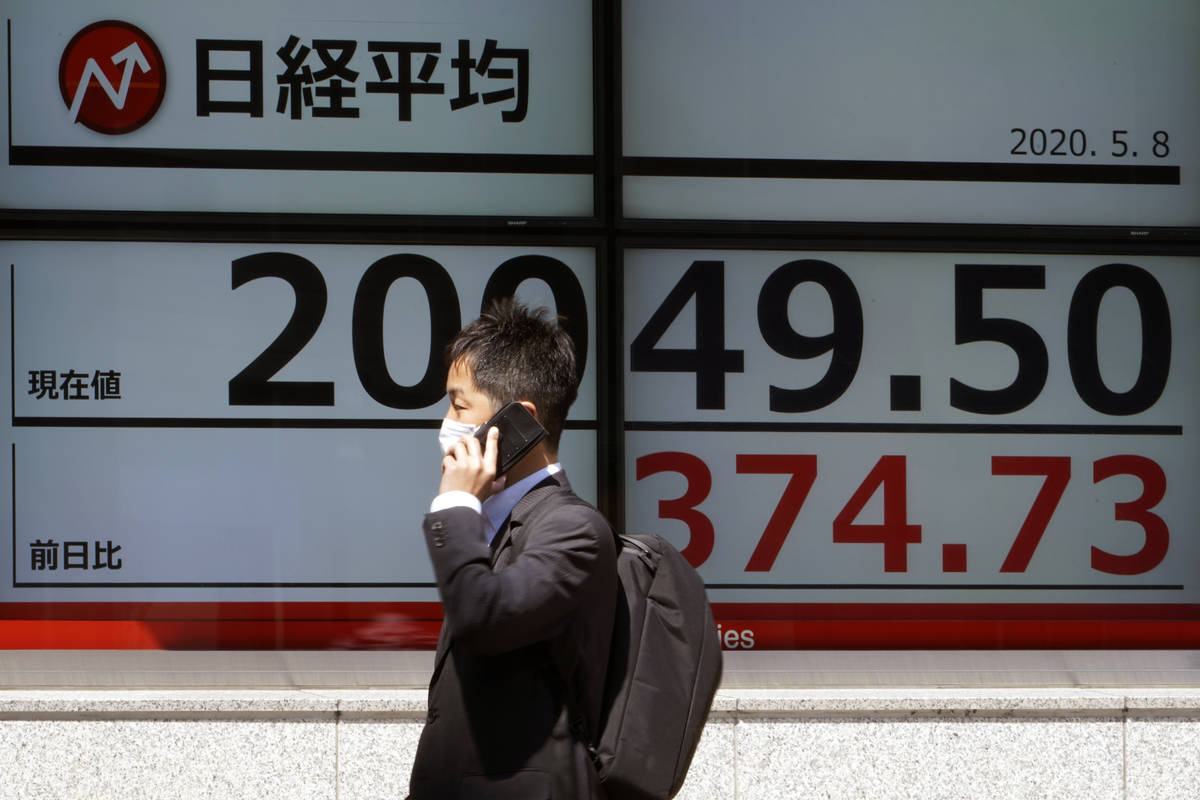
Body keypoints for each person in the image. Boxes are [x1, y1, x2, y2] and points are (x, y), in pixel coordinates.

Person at [408, 300, 618, 800]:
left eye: (460, 406)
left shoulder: (573, 528)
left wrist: (456, 503)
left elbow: (485, 619)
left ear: (518, 418)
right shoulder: (493, 522)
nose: (446, 424)